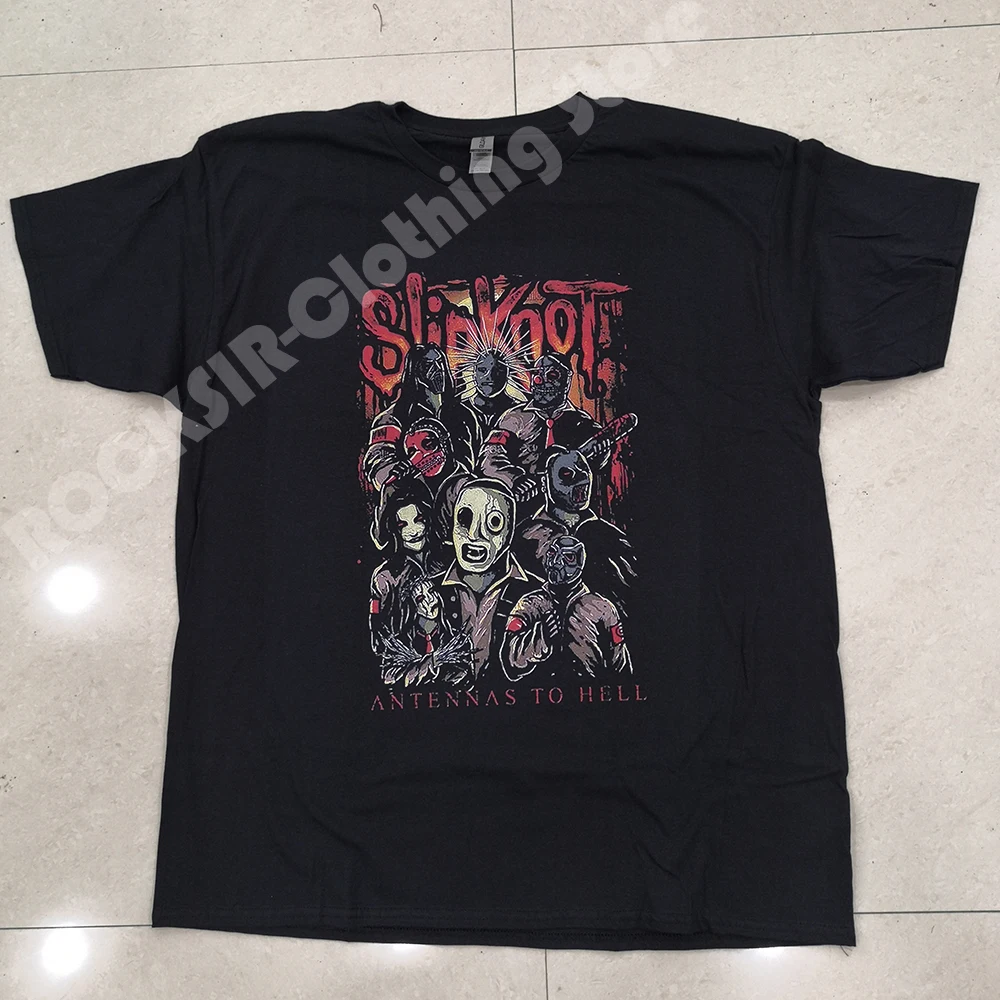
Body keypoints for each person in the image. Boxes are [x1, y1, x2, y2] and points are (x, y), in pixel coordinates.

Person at [433, 478, 535, 681]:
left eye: (494, 523)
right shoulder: (429, 591)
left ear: (509, 534)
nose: (474, 534)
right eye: (464, 519)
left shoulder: (535, 593)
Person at [515, 447, 636, 613]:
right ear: (544, 483)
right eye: (567, 474)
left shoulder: (608, 537)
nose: (583, 478)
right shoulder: (526, 537)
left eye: (584, 470)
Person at [502, 535, 632, 682]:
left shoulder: (602, 609)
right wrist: (541, 637)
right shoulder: (530, 605)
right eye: (552, 553)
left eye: (568, 557)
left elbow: (620, 664)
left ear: (580, 564)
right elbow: (509, 663)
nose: (556, 562)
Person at [479, 354, 603, 504]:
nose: (540, 381)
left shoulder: (581, 422)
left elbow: (593, 461)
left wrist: (601, 454)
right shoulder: (513, 419)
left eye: (552, 375)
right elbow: (489, 456)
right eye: (537, 375)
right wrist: (514, 478)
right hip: (525, 505)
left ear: (567, 380)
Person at [363, 343, 480, 491]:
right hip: (414, 496)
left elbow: (476, 462)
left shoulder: (465, 415)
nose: (437, 370)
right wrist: (396, 475)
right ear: (415, 371)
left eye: (440, 363)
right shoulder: (394, 417)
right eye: (428, 365)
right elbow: (378, 460)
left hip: (460, 494)